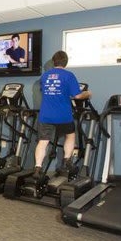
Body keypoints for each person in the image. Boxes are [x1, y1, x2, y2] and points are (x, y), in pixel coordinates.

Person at [32, 50, 91, 179]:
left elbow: (47, 91)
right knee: (70, 136)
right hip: (63, 115)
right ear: (66, 62)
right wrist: (88, 93)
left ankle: (37, 168)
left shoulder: (45, 76)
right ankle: (67, 160)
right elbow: (77, 95)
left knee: (43, 142)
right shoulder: (68, 75)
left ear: (54, 62)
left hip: (46, 115)